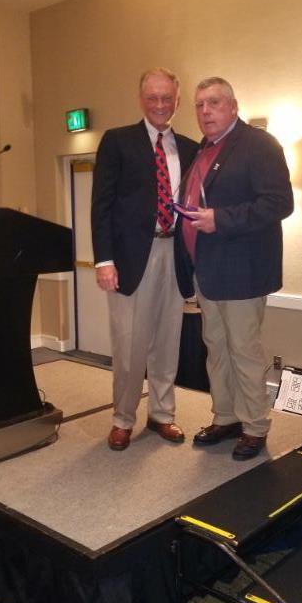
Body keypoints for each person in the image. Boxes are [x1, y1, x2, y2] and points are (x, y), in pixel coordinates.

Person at [175, 77, 294, 460]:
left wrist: (220, 219)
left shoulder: (258, 144)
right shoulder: (203, 150)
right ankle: (225, 417)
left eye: (214, 102)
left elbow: (279, 202)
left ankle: (255, 426)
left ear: (233, 106)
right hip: (207, 271)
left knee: (244, 350)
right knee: (217, 349)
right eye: (199, 105)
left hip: (243, 272)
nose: (205, 111)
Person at [91, 67, 198, 451]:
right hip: (130, 259)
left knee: (167, 342)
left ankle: (162, 415)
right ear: (141, 99)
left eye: (167, 98)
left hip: (175, 253)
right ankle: (123, 418)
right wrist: (104, 260)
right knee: (129, 347)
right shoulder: (117, 141)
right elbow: (101, 205)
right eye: (152, 97)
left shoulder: (190, 148)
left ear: (177, 102)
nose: (159, 104)